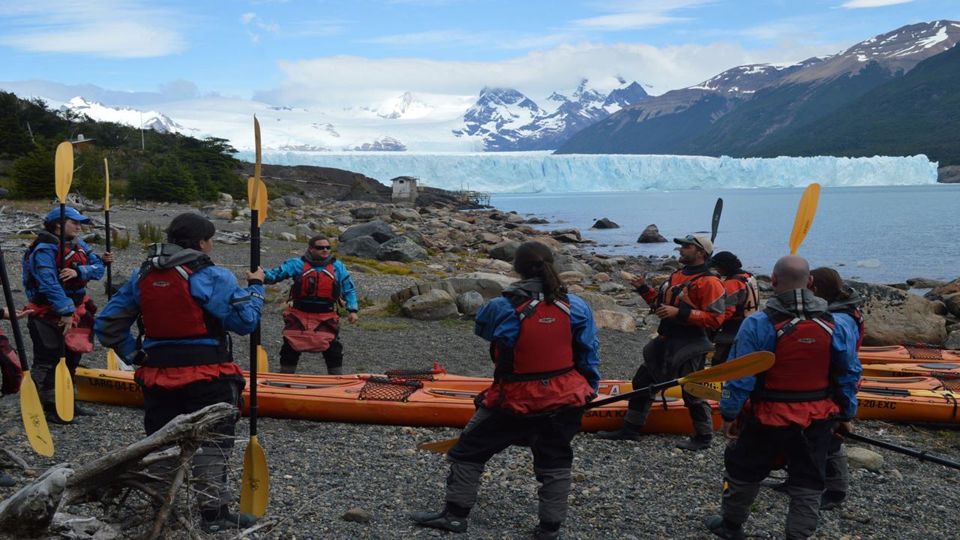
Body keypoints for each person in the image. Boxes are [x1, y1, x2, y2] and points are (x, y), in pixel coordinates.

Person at [411, 241, 600, 540]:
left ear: (516, 269)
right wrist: (589, 391)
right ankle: (550, 529)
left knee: (466, 452)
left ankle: (455, 517)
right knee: (555, 460)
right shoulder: (577, 306)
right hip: (566, 397)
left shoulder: (500, 306)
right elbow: (589, 352)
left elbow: (485, 331)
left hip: (515, 399)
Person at [94, 213, 264, 533]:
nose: (212, 245)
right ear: (201, 243)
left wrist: (135, 355)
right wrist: (256, 287)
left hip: (157, 376)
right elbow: (245, 323)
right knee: (213, 444)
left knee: (160, 445)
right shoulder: (214, 275)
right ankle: (213, 515)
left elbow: (107, 325)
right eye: (210, 239)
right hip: (210, 375)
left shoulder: (141, 275)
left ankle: (161, 510)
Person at [705, 256, 861, 540]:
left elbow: (740, 377)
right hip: (816, 418)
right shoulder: (839, 325)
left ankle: (731, 526)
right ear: (810, 283)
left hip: (766, 416)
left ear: (773, 281)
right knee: (809, 481)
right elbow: (849, 373)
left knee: (744, 472)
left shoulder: (757, 325)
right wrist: (846, 414)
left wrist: (729, 414)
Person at [597, 234, 726, 451]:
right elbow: (660, 305)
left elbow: (716, 319)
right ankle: (631, 429)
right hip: (665, 341)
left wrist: (681, 312)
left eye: (687, 247)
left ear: (701, 253)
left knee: (692, 392)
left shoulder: (710, 283)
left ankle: (703, 437)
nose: (681, 249)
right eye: (682, 246)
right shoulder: (676, 276)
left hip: (691, 343)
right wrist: (642, 288)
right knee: (642, 382)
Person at [22, 206, 112, 423]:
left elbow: (99, 268)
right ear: (58, 225)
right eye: (75, 222)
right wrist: (65, 311)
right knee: (49, 358)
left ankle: (68, 400)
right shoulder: (44, 249)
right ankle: (48, 405)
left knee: (72, 356)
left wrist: (79, 271)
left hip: (76, 309)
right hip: (48, 312)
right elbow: (48, 283)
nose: (79, 226)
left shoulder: (78, 245)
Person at [263, 235, 358, 374]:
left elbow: (349, 289)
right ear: (311, 249)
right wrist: (261, 275)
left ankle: (336, 380)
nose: (325, 250)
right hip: (299, 313)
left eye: (327, 247)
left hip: (326, 314)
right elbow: (275, 275)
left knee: (333, 349)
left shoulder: (337, 267)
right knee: (290, 346)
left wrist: (353, 310)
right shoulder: (296, 264)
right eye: (320, 248)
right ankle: (285, 378)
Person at [810, 267, 865, 511]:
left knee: (832, 437)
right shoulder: (841, 310)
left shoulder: (840, 320)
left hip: (835, 384)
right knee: (808, 435)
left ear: (817, 289)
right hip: (824, 382)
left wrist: (846, 408)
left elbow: (847, 365)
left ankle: (836, 491)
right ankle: (799, 479)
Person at [709, 251, 759, 365]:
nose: (717, 270)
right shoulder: (748, 276)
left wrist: (712, 322)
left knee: (719, 361)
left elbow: (727, 311)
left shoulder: (732, 283)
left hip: (733, 329)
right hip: (751, 323)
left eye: (717, 267)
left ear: (724, 266)